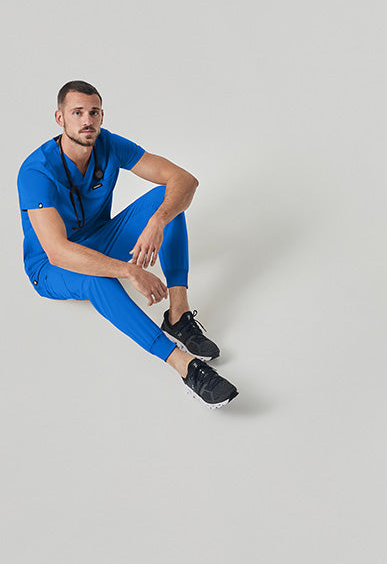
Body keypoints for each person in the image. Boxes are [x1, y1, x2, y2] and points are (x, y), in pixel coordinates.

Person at [18, 81, 237, 407]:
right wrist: (130, 271)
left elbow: (185, 180)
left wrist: (157, 221)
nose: (86, 120)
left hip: (99, 239)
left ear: (102, 116)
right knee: (97, 281)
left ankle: (178, 315)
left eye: (93, 112)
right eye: (77, 113)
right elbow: (57, 250)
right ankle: (185, 366)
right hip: (50, 266)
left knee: (169, 199)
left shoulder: (108, 145)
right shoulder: (36, 171)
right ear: (59, 118)